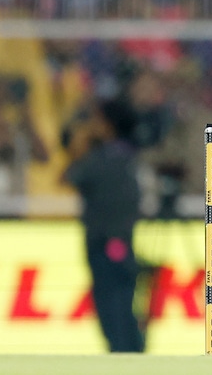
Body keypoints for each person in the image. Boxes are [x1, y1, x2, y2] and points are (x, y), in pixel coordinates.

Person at [63, 98, 146, 353]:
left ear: (108, 124)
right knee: (124, 303)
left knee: (112, 307)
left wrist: (80, 145)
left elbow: (69, 177)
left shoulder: (101, 159)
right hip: (122, 242)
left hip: (105, 244)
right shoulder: (129, 156)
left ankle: (124, 356)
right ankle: (132, 353)